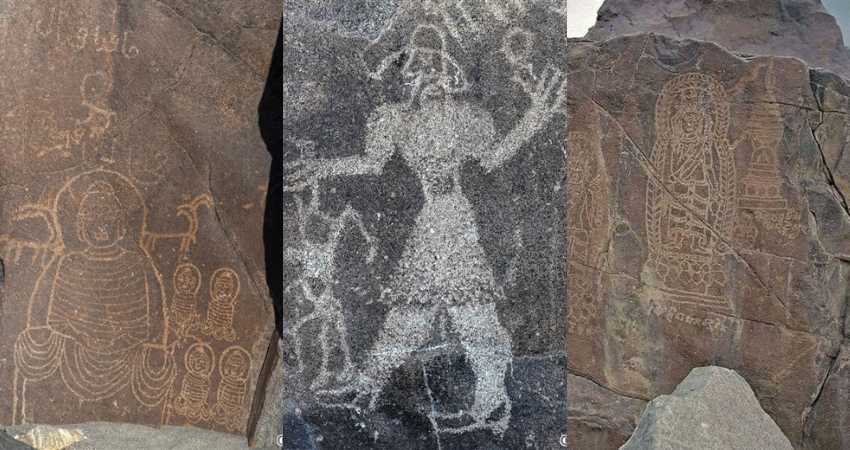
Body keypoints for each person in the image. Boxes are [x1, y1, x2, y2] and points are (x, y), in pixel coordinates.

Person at [287, 24, 564, 435]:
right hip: (431, 221)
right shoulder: (397, 119)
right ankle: (370, 387)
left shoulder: (465, 117)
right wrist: (322, 168)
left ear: (450, 71)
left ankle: (489, 403)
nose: (430, 76)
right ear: (408, 73)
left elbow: (492, 157)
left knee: (468, 312)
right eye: (419, 67)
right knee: (412, 312)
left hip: (454, 218)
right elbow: (372, 161)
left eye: (437, 66)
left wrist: (535, 117)